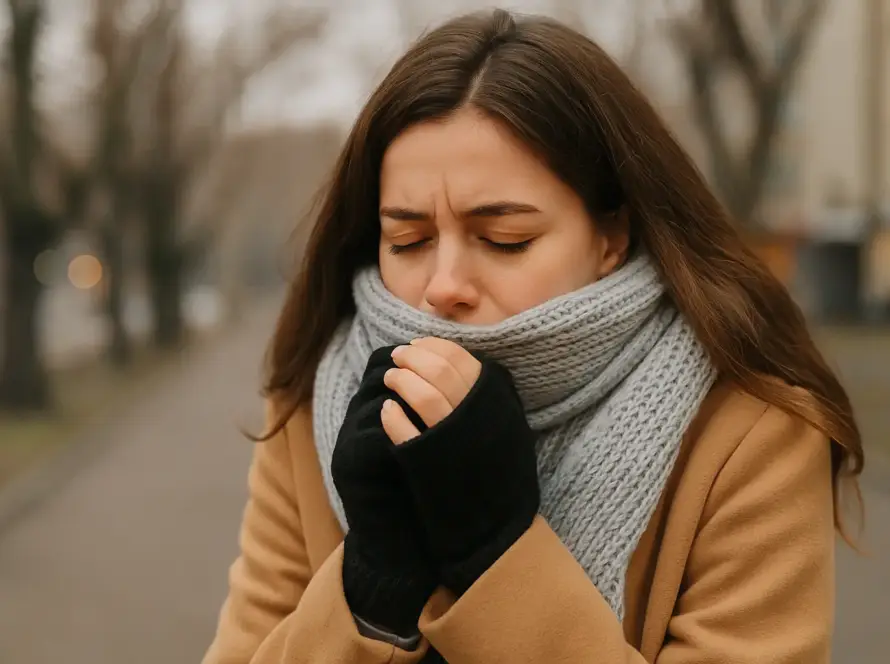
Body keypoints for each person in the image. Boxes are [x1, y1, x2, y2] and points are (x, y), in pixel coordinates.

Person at [203, 9, 863, 664]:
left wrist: (498, 554)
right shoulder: (313, 406)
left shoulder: (752, 434)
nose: (443, 285)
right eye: (408, 239)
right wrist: (372, 590)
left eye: (503, 240)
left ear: (611, 237)